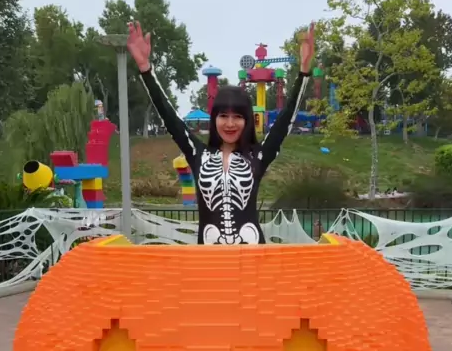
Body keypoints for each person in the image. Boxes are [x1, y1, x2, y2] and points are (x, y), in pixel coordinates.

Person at [127, 21, 315, 245]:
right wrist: (146, 69)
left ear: (247, 121)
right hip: (210, 259)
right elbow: (168, 115)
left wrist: (304, 72)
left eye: (238, 116)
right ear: (214, 118)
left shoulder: (258, 155)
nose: (230, 123)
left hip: (253, 256)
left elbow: (285, 119)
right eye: (223, 116)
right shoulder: (198, 154)